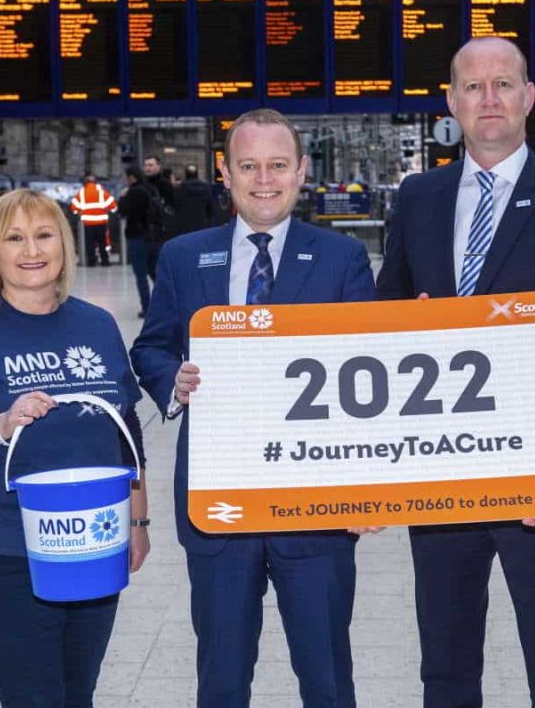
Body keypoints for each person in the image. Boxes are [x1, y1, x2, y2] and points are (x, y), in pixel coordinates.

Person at [376, 37, 535, 708]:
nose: (488, 99)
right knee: (444, 658)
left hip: (534, 470)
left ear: (528, 98)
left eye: (503, 85)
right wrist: (405, 328)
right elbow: (382, 317)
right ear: (450, 101)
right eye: (472, 87)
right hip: (441, 466)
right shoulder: (418, 197)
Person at [130, 108, 376, 708]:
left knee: (326, 678)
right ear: (225, 173)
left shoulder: (342, 259)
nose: (263, 179)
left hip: (314, 507)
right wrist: (173, 383)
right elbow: (152, 347)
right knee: (221, 678)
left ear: (301, 171)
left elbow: (373, 376)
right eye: (248, 166)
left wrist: (373, 490)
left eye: (277, 165)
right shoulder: (186, 257)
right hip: (219, 508)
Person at [0, 189, 150, 708]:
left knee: (77, 692)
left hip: (93, 542)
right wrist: (1, 423)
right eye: (13, 238)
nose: (30, 250)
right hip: (3, 549)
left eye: (43, 235)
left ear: (64, 244)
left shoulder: (97, 324)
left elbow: (125, 429)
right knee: (33, 697)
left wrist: (138, 521)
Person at [119, 166, 153, 318]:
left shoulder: (132, 193)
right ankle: (166, 305)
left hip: (137, 236)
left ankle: (147, 308)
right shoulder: (149, 190)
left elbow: (123, 211)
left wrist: (122, 197)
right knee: (155, 273)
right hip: (152, 237)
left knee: (141, 275)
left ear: (132, 178)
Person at [70, 173, 118, 267]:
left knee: (89, 244)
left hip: (87, 223)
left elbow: (73, 208)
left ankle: (91, 262)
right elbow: (114, 206)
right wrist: (107, 210)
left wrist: (79, 212)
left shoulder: (82, 193)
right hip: (101, 223)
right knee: (103, 243)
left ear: (85, 182)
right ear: (95, 182)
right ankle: (105, 261)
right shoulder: (101, 192)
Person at [171, 165, 222, 238]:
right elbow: (211, 208)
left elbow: (175, 206)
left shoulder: (180, 188)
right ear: (196, 174)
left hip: (184, 226)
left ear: (186, 174)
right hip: (201, 225)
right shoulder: (205, 187)